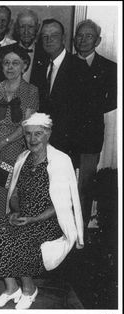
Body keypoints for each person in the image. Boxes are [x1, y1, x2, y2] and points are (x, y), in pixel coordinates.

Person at [0, 113, 83, 309]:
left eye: (38, 134)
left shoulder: (60, 161)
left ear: (48, 134)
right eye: (28, 134)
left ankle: (29, 289)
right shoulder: (23, 158)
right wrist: (16, 212)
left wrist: (32, 219)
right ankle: (12, 288)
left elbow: (61, 205)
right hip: (25, 216)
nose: (32, 139)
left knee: (20, 237)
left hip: (49, 220)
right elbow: (13, 194)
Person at [71, 19, 117, 234]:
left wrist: (90, 107)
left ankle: (80, 231)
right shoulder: (66, 64)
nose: (83, 40)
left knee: (85, 186)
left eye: (89, 36)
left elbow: (113, 100)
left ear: (98, 40)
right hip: (65, 136)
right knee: (64, 183)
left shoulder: (110, 67)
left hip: (90, 136)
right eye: (80, 35)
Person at [0, 44, 39, 222]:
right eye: (6, 63)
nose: (10, 67)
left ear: (24, 65)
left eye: (15, 63)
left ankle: (1, 230)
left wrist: (1, 143)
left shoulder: (31, 91)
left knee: (6, 190)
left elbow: (26, 125)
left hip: (14, 148)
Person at [35, 19, 74, 155]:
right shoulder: (41, 65)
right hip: (44, 142)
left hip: (68, 145)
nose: (49, 40)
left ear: (63, 38)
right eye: (45, 36)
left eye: (54, 35)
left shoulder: (78, 66)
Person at [0, 9, 47, 83]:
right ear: (17, 28)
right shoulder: (3, 52)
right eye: (22, 27)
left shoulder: (45, 54)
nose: (26, 31)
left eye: (30, 27)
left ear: (37, 28)